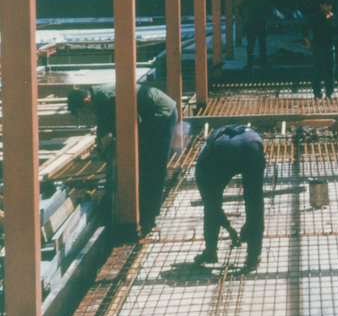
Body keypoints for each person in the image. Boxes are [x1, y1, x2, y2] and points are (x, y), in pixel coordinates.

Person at [67, 83, 178, 233]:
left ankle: (149, 218)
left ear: (87, 100)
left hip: (160, 113)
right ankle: (145, 214)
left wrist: (112, 137)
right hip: (148, 116)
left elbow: (132, 121)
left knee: (152, 166)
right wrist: (98, 148)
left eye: (85, 111)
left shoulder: (107, 98)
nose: (88, 114)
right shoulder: (98, 100)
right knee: (144, 163)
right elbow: (104, 126)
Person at [194, 123, 266, 272]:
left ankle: (210, 252)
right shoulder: (251, 133)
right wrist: (243, 226)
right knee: (255, 203)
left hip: (223, 151)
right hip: (253, 146)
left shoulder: (203, 161)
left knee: (211, 203)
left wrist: (228, 228)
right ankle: (253, 256)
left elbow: (211, 203)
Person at [302, 0, 336, 99]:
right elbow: (304, 29)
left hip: (330, 47)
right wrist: (308, 43)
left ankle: (329, 94)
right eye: (325, 5)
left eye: (329, 5)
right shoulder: (315, 17)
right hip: (318, 46)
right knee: (318, 69)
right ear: (321, 5)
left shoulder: (333, 17)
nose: (327, 7)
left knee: (330, 70)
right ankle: (317, 94)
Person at [237, 0, 271, 70]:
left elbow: (268, 8)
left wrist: (266, 17)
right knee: (251, 45)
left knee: (262, 44)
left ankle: (263, 62)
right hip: (251, 23)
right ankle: (250, 63)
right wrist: (243, 18)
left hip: (260, 23)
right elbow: (239, 7)